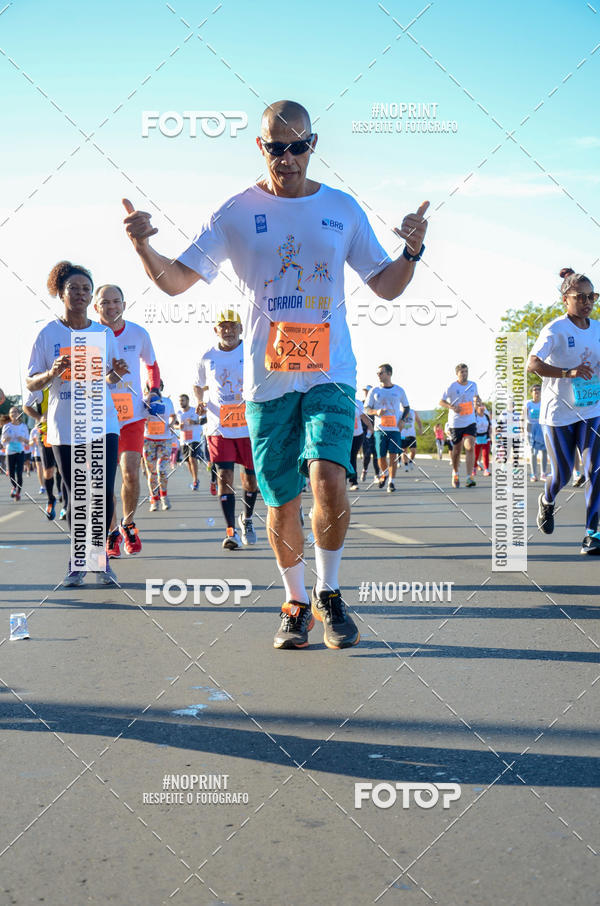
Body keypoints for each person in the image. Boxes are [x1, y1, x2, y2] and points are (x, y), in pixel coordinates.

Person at [122, 98, 428, 649]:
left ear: (314, 145)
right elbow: (175, 281)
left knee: (329, 478)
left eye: (298, 146)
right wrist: (144, 244)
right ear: (259, 146)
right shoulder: (235, 212)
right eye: (276, 147)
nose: (287, 158)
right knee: (282, 497)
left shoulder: (342, 208)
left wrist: (412, 250)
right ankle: (295, 602)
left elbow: (385, 283)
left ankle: (330, 593)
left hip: (331, 371)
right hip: (268, 380)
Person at [26, 261, 128, 585]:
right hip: (64, 425)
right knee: (76, 497)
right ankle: (78, 556)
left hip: (102, 423)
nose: (81, 294)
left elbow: (107, 380)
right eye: (74, 288)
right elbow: (30, 383)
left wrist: (117, 373)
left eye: (86, 289)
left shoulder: (103, 333)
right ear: (61, 292)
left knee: (100, 493)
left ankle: (98, 560)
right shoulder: (47, 333)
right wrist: (52, 373)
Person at [528, 267, 600, 554]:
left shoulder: (597, 328)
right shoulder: (555, 329)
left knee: (595, 469)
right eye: (580, 296)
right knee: (563, 475)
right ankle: (547, 500)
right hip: (559, 413)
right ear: (565, 299)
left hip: (593, 408)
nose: (587, 302)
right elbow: (532, 364)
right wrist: (568, 372)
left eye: (592, 296)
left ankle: (592, 534)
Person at [94, 284, 160, 557]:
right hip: (99, 414)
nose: (111, 307)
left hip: (131, 415)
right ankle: (111, 533)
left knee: (131, 473)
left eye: (116, 301)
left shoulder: (139, 333)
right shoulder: (89, 335)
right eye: (105, 302)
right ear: (96, 306)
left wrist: (154, 391)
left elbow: (152, 366)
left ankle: (128, 524)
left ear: (124, 303)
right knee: (106, 479)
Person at [194, 310, 259, 549]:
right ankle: (230, 531)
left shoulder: (251, 351)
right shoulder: (207, 356)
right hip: (219, 427)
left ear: (241, 329)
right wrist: (200, 399)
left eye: (233, 326)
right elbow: (198, 384)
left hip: (249, 425)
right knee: (225, 477)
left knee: (251, 480)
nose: (228, 331)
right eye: (223, 326)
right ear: (216, 330)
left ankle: (248, 519)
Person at [365, 364, 410, 493]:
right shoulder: (374, 390)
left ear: (389, 373)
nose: (379, 375)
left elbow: (406, 407)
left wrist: (402, 420)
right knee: (381, 456)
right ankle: (384, 473)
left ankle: (391, 481)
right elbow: (366, 408)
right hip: (380, 428)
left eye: (381, 373)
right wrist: (376, 411)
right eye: (378, 373)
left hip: (394, 429)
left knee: (394, 455)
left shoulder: (399, 390)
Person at [23, 389, 64, 519]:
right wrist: (39, 417)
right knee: (48, 472)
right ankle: (51, 499)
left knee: (63, 471)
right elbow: (26, 406)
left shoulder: (67, 383)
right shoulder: (42, 388)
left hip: (64, 434)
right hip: (45, 435)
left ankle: (65, 504)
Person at [439, 364, 481, 488]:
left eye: (466, 371)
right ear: (457, 373)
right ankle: (455, 472)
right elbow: (441, 401)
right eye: (462, 372)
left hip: (470, 421)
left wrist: (478, 401)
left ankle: (469, 477)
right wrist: (452, 407)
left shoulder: (473, 385)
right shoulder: (452, 386)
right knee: (456, 451)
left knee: (469, 447)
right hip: (455, 423)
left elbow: (477, 397)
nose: (464, 374)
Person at [143, 383, 176, 511]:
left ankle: (164, 496)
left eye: (156, 387)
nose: (153, 390)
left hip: (165, 439)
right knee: (151, 472)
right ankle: (154, 499)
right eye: (150, 387)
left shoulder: (167, 401)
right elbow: (138, 417)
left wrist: (172, 423)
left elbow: (173, 416)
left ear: (160, 387)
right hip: (148, 440)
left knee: (161, 469)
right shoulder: (143, 402)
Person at [1, 407, 29, 500]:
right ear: (9, 415)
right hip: (10, 452)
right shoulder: (6, 426)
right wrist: (6, 439)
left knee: (19, 473)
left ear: (19, 414)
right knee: (11, 473)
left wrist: (23, 439)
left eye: (15, 412)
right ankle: (14, 486)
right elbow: (2, 441)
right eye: (11, 412)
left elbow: (28, 441)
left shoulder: (23, 426)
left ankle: (18, 493)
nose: (13, 414)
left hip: (20, 452)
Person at [176, 393, 202, 490]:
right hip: (184, 440)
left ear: (187, 401)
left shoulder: (194, 410)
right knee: (187, 462)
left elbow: (204, 421)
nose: (181, 402)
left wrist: (194, 422)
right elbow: (173, 425)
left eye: (183, 400)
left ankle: (195, 481)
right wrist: (178, 426)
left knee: (192, 458)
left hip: (194, 438)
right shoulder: (178, 413)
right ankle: (195, 479)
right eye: (179, 401)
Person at [523, 385, 547, 482]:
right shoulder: (528, 403)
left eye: (538, 389)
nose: (536, 391)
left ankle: (543, 473)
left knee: (544, 451)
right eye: (534, 390)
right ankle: (534, 474)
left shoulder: (543, 402)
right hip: (531, 428)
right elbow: (523, 416)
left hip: (542, 428)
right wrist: (522, 428)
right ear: (531, 393)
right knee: (533, 452)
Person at [348, 396, 370, 490]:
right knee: (343, 457)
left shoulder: (358, 403)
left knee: (353, 457)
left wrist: (370, 426)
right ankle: (341, 480)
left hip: (357, 435)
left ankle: (353, 482)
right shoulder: (340, 399)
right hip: (344, 435)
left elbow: (363, 416)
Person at [359, 385, 380, 482]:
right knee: (367, 454)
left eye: (368, 391)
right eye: (365, 391)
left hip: (376, 431)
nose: (366, 393)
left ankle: (377, 474)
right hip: (364, 432)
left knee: (376, 454)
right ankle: (365, 470)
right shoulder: (361, 404)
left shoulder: (376, 404)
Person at [474, 403, 492, 476]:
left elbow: (490, 427)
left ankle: (486, 469)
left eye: (483, 406)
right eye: (480, 406)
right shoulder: (474, 417)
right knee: (476, 455)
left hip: (485, 437)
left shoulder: (486, 417)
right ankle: (474, 468)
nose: (482, 408)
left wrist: (490, 436)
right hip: (476, 438)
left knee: (485, 454)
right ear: (477, 408)